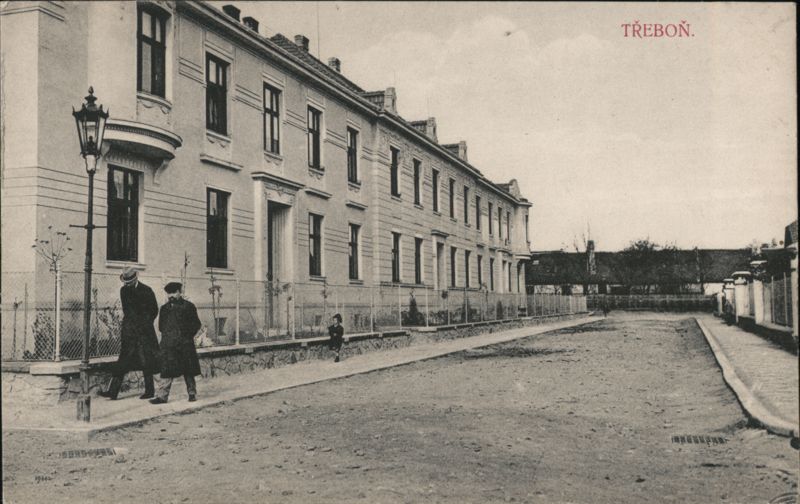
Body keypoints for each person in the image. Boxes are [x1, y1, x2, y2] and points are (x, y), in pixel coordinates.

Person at [99, 267, 160, 400]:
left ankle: (150, 391)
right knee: (123, 361)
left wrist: (145, 323)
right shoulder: (124, 291)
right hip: (130, 332)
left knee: (146, 361)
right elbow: (128, 311)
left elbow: (154, 310)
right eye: (125, 282)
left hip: (144, 332)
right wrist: (130, 327)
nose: (127, 284)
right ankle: (112, 392)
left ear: (136, 278)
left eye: (130, 282)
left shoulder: (147, 290)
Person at [150, 282, 202, 404]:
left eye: (173, 292)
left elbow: (196, 324)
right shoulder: (164, 309)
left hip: (185, 343)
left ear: (180, 292)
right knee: (167, 370)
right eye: (169, 293)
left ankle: (192, 393)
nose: (171, 296)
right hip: (169, 345)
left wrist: (187, 336)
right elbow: (161, 327)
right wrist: (169, 338)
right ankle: (162, 396)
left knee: (188, 370)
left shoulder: (189, 306)